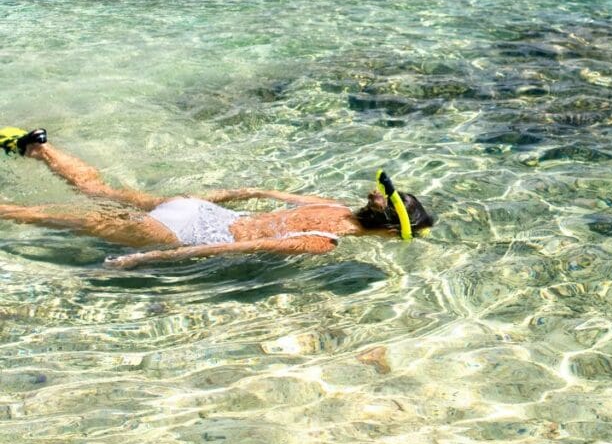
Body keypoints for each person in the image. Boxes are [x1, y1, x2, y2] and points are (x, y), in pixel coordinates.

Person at [0, 128, 434, 269]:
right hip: (184, 231)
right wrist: (147, 257)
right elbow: (238, 246)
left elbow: (258, 192)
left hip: (201, 208)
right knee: (38, 216)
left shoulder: (328, 205)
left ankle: (38, 146)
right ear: (391, 232)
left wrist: (206, 196)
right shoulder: (324, 240)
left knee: (99, 192)